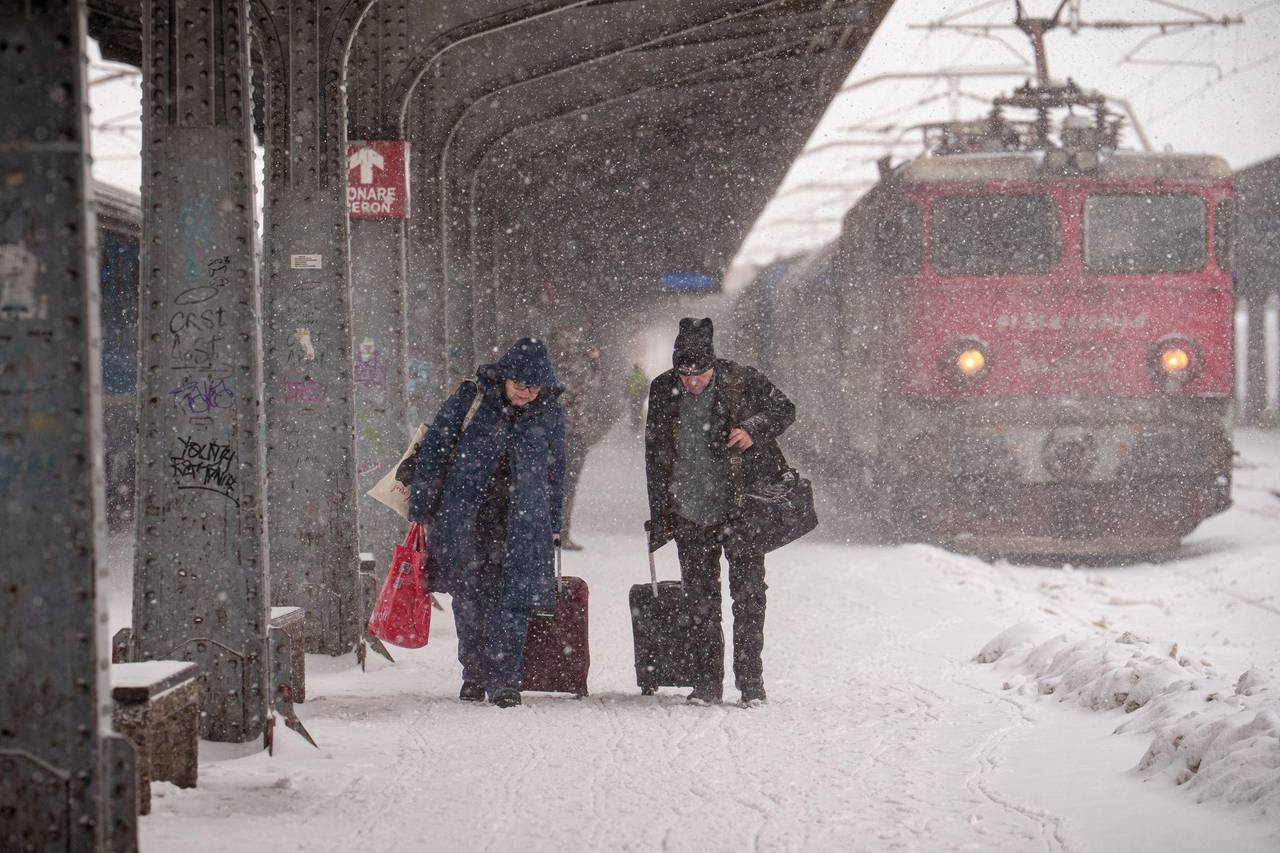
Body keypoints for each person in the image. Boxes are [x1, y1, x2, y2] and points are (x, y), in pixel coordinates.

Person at [644, 317, 795, 708]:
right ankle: (707, 683)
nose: (692, 383)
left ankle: (751, 683)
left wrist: (752, 430)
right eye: (685, 376)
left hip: (741, 509)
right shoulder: (663, 389)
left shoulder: (741, 380)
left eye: (701, 375)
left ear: (713, 365)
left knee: (749, 598)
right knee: (700, 601)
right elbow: (655, 455)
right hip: (689, 510)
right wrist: (660, 513)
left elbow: (784, 409)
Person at [408, 337, 565, 708]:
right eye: (519, 384)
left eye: (534, 387)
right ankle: (474, 673)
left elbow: (556, 470)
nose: (526, 392)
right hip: (467, 518)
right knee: (469, 598)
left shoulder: (548, 413)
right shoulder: (472, 399)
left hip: (522, 521)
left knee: (513, 600)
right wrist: (422, 508)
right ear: (504, 377)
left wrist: (555, 521)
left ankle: (506, 680)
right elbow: (435, 451)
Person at [553, 331, 610, 551]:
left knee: (563, 485)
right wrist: (593, 363)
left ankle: (559, 533)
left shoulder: (559, 369)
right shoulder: (575, 370)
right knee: (566, 486)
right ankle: (559, 533)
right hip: (570, 434)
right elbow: (593, 387)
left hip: (569, 433)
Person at [625, 363, 648, 433]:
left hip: (632, 396)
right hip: (640, 396)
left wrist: (626, 394)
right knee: (639, 410)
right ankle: (638, 424)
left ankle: (634, 425)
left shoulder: (630, 375)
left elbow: (627, 385)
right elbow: (646, 385)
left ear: (634, 368)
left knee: (633, 410)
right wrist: (645, 394)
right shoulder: (642, 375)